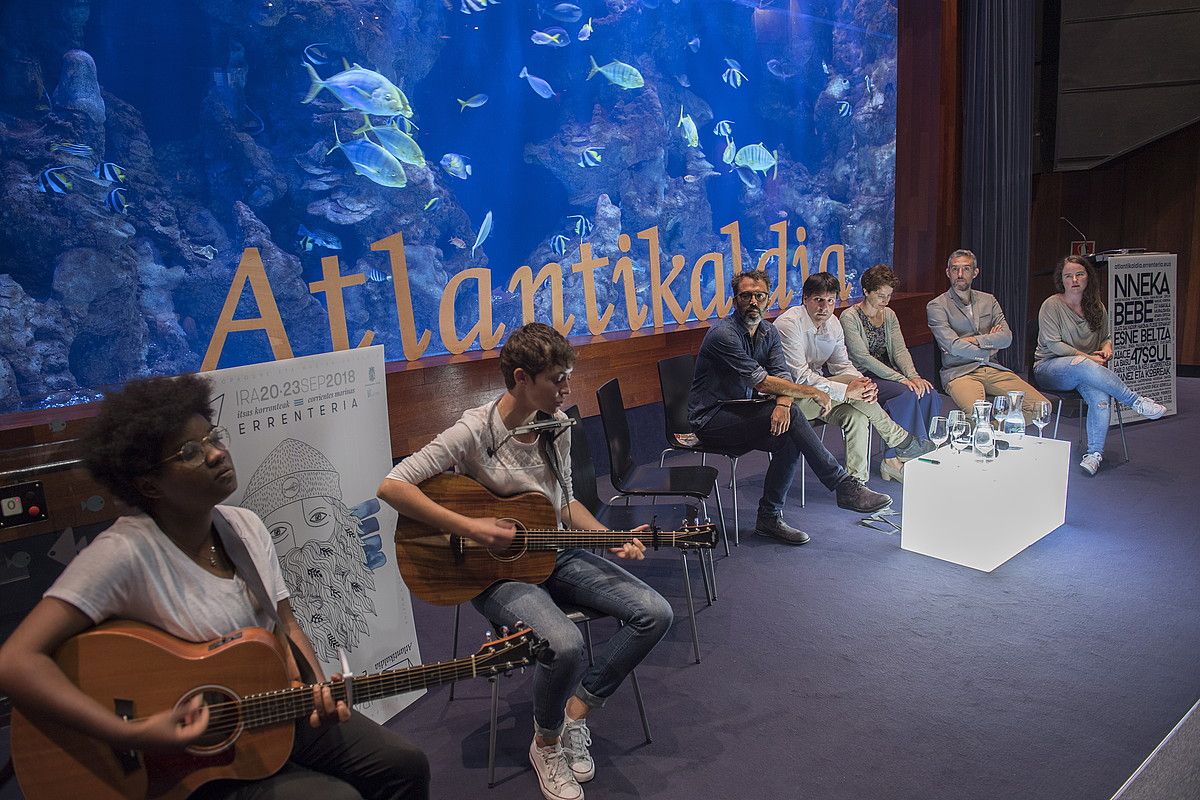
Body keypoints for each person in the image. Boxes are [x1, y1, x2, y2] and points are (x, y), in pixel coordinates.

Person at [0, 374, 430, 800]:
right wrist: (133, 731)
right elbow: (15, 661)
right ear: (149, 483)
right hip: (174, 763)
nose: (216, 454)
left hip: (267, 711)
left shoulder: (246, 527)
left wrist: (317, 692)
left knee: (405, 764)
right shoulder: (124, 553)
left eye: (212, 437)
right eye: (190, 452)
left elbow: (286, 623)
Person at [377, 323, 673, 800]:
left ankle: (576, 711)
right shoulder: (474, 430)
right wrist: (472, 528)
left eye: (568, 376)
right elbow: (392, 486)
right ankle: (546, 741)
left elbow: (563, 505)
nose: (566, 388)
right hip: (493, 572)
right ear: (520, 377)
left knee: (655, 613)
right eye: (557, 379)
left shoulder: (556, 427)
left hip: (555, 552)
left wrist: (607, 535)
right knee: (566, 643)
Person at [688, 269, 893, 547]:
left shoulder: (768, 331)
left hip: (745, 412)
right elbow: (761, 381)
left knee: (789, 433)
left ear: (768, 299)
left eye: (759, 295)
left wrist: (784, 403)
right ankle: (842, 485)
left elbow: (781, 375)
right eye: (745, 295)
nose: (753, 301)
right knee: (796, 417)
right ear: (734, 300)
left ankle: (769, 518)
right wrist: (812, 392)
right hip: (712, 419)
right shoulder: (723, 334)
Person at [774, 272, 935, 485]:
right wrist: (848, 391)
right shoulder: (789, 324)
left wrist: (863, 384)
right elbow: (801, 378)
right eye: (818, 300)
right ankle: (900, 439)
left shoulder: (832, 322)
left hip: (821, 398)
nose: (824, 307)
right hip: (789, 401)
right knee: (853, 392)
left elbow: (842, 365)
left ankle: (856, 485)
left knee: (857, 416)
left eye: (830, 301)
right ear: (805, 299)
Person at [1033, 255, 1166, 475]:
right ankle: (1135, 401)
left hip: (1087, 370)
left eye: (1080, 274)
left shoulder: (1096, 306)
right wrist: (1087, 358)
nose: (1074, 279)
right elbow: (1053, 344)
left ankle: (1094, 454)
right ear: (1062, 280)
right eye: (1068, 276)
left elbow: (1106, 336)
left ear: (1088, 278)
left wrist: (1107, 348)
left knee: (1101, 398)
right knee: (1081, 364)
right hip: (1050, 368)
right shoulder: (1052, 305)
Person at [840, 264, 943, 481]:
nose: (885, 300)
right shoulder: (850, 317)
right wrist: (902, 379)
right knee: (904, 394)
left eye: (888, 295)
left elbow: (900, 349)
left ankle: (920, 452)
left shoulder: (889, 315)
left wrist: (914, 376)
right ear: (866, 292)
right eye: (880, 295)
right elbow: (861, 357)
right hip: (863, 376)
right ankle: (893, 459)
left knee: (927, 392)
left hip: (890, 374)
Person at [926, 249, 1048, 418]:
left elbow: (1006, 337)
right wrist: (989, 349)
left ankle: (993, 433)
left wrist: (974, 340)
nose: (960, 274)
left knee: (1041, 408)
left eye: (966, 269)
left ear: (975, 272)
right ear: (948, 272)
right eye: (955, 269)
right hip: (959, 373)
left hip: (992, 368)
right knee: (978, 415)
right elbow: (952, 346)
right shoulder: (937, 306)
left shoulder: (988, 300)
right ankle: (986, 434)